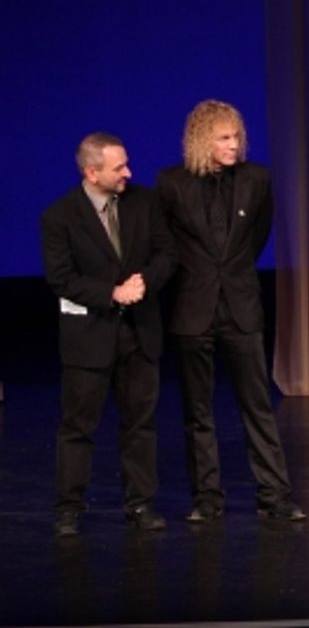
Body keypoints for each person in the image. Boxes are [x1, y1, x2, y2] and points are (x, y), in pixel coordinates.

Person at [156, 100, 305, 523]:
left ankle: (275, 495)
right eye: (223, 138)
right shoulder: (171, 184)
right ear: (202, 139)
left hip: (241, 305)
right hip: (193, 306)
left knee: (257, 404)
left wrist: (231, 274)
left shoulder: (257, 179)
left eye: (236, 136)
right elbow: (167, 245)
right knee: (198, 411)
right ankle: (207, 498)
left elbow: (257, 237)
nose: (233, 144)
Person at [42, 132, 176, 536]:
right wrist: (111, 293)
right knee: (78, 427)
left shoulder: (144, 202)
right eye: (119, 168)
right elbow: (61, 278)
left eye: (126, 164)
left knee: (140, 424)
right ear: (91, 172)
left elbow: (167, 254)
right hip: (89, 337)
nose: (128, 173)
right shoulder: (60, 216)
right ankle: (69, 508)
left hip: (139, 333)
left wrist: (144, 281)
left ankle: (140, 504)